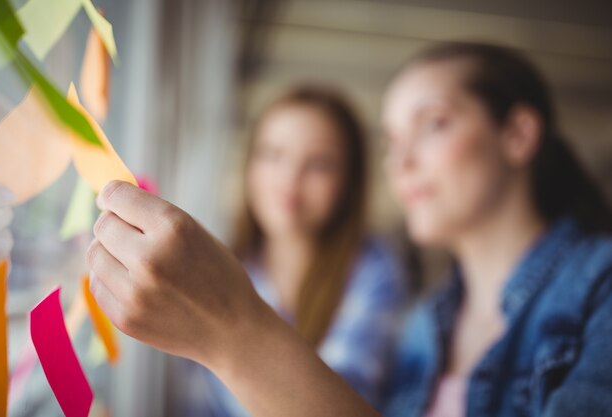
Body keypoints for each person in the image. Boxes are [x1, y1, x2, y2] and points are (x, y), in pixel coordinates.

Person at [86, 42, 612, 417]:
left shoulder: (600, 289)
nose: (401, 160)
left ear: (518, 134)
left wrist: (231, 331)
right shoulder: (426, 326)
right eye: (390, 141)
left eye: (432, 123)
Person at [170, 86, 407, 416]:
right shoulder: (222, 261)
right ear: (250, 163)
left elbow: (343, 401)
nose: (289, 179)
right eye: (272, 154)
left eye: (320, 164)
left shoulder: (375, 269)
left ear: (350, 182)